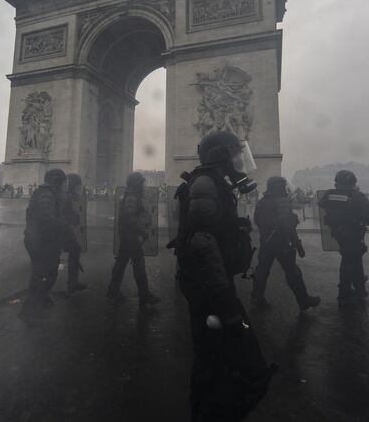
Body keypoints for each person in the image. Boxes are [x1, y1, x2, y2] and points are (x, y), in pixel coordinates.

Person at [174, 131, 275, 421]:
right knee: (213, 351)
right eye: (235, 153)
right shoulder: (206, 182)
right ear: (221, 155)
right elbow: (202, 241)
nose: (240, 159)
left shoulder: (213, 181)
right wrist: (224, 295)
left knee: (217, 349)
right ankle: (209, 412)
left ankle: (216, 407)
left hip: (211, 281)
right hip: (210, 284)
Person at [251, 176, 320, 311]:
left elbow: (257, 221)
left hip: (266, 241)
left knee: (262, 270)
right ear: (280, 187)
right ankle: (303, 299)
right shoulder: (282, 201)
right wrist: (297, 244)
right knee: (292, 272)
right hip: (281, 242)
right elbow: (288, 226)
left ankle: (257, 298)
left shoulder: (262, 202)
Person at [318, 170, 369, 307]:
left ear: (337, 182)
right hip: (353, 232)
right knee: (351, 260)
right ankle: (345, 291)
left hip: (338, 232)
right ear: (353, 182)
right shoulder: (357, 196)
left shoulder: (330, 194)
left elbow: (322, 204)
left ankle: (358, 288)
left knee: (353, 258)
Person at [19, 168, 72, 319]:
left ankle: (39, 299)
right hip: (41, 240)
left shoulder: (49, 194)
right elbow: (47, 219)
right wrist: (64, 225)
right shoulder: (47, 196)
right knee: (42, 273)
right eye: (63, 182)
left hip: (40, 239)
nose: (64, 185)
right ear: (57, 182)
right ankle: (29, 308)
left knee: (45, 272)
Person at [107, 172, 160, 310]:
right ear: (137, 183)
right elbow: (130, 218)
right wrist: (142, 231)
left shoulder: (130, 195)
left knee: (121, 262)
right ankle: (144, 294)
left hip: (127, 235)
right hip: (130, 236)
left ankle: (113, 290)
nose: (143, 185)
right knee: (139, 265)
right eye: (141, 183)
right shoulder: (132, 197)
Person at [63, 173, 87, 294]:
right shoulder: (65, 197)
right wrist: (75, 218)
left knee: (75, 249)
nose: (80, 189)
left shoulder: (65, 195)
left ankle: (73, 282)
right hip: (54, 233)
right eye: (78, 186)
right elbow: (65, 215)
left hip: (58, 231)